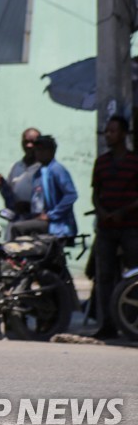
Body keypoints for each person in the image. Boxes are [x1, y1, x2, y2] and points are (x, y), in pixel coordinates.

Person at [90, 116, 138, 340]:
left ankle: (130, 321)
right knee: (104, 277)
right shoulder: (101, 162)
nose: (108, 135)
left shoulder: (134, 162)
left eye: (112, 131)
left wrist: (123, 212)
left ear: (124, 134)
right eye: (106, 131)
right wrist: (102, 211)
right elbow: (95, 193)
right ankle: (107, 324)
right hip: (106, 227)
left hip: (130, 226)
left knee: (133, 275)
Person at [10, 135, 78, 240]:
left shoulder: (57, 169)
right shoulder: (39, 172)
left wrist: (51, 215)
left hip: (56, 224)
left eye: (43, 150)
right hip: (39, 219)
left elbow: (71, 195)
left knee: (18, 229)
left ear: (51, 151)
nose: (39, 153)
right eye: (37, 150)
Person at [0, 127, 42, 224]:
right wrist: (2, 185)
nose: (29, 145)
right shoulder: (16, 167)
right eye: (26, 142)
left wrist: (29, 206)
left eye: (33, 142)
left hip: (35, 223)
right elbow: (10, 197)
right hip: (16, 221)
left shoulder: (44, 169)